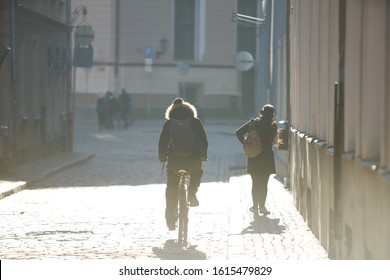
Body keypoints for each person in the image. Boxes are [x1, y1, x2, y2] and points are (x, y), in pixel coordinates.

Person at [158, 97, 208, 230]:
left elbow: (162, 142)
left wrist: (163, 158)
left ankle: (170, 219)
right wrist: (202, 157)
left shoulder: (169, 123)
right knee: (198, 172)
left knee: (171, 189)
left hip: (174, 161)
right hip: (192, 160)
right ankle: (192, 193)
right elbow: (203, 140)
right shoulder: (195, 122)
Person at [235, 104, 277, 216]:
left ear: (261, 113)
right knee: (264, 183)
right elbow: (273, 140)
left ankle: (254, 207)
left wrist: (246, 144)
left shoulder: (253, 123)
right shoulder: (273, 126)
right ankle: (262, 207)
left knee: (255, 183)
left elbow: (238, 132)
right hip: (267, 157)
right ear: (272, 115)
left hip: (254, 156)